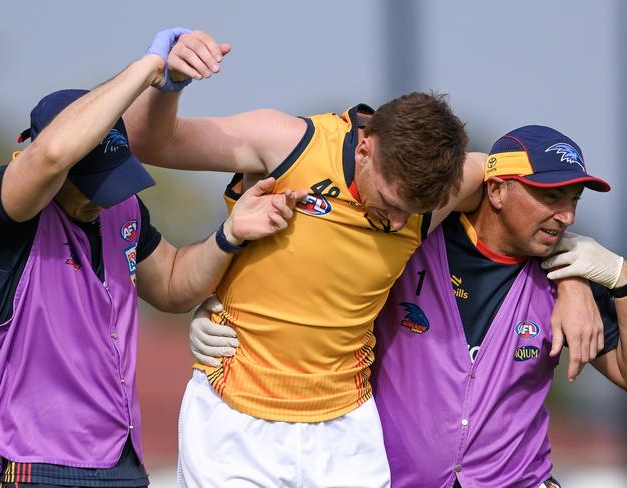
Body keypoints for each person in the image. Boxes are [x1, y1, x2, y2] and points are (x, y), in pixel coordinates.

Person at [126, 29, 604, 487]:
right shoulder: (288, 143)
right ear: (367, 149)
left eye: (413, 212)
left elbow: (531, 212)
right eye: (392, 203)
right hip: (236, 415)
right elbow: (151, 142)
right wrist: (170, 83)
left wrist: (575, 280)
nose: (399, 225)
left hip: (346, 430)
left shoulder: (452, 184)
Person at [0, 45, 305, 487]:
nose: (102, 198)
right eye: (88, 184)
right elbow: (53, 153)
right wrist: (149, 69)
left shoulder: (120, 209)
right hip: (32, 464)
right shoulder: (2, 211)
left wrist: (229, 234)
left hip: (122, 464)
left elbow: (171, 284)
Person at [372, 125, 626, 487]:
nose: (567, 216)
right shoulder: (416, 240)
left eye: (574, 200)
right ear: (495, 190)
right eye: (552, 197)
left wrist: (620, 277)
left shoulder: (570, 273)